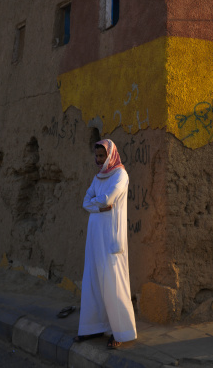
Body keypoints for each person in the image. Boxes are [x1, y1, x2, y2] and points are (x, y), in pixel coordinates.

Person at [76, 138, 137, 349]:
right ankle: (92, 327)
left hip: (111, 237)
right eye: (97, 156)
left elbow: (108, 199)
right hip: (95, 237)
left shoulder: (121, 175)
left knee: (114, 283)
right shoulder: (98, 177)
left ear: (110, 155)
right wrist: (97, 205)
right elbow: (86, 202)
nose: (99, 160)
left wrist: (97, 203)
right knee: (93, 280)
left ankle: (121, 331)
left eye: (102, 156)